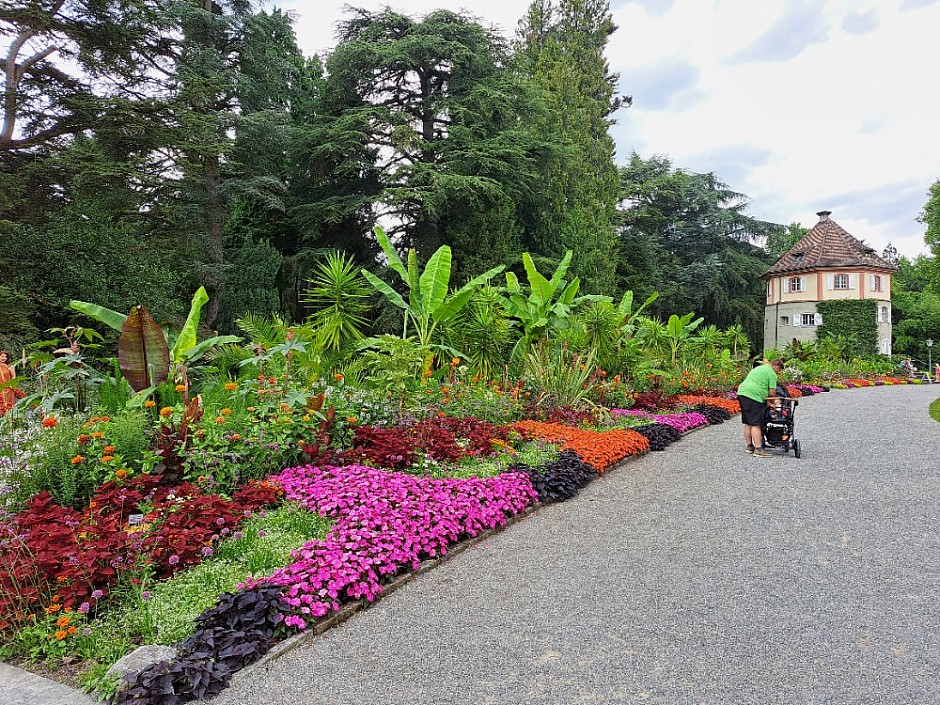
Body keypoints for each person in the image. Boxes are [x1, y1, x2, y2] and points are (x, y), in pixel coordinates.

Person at [737, 358, 785, 458]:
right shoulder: (772, 373)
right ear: (776, 367)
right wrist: (773, 403)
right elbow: (772, 393)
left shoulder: (759, 369)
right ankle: (758, 450)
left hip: (742, 393)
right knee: (756, 423)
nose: (779, 373)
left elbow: (760, 386)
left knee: (748, 422)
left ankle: (750, 446)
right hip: (753, 396)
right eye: (779, 370)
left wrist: (767, 403)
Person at [0, 350, 25, 417]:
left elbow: (14, 378)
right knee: (1, 408)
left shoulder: (10, 366)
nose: (4, 358)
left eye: (5, 357)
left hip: (8, 389)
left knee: (9, 406)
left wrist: (13, 386)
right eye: (2, 356)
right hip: (0, 389)